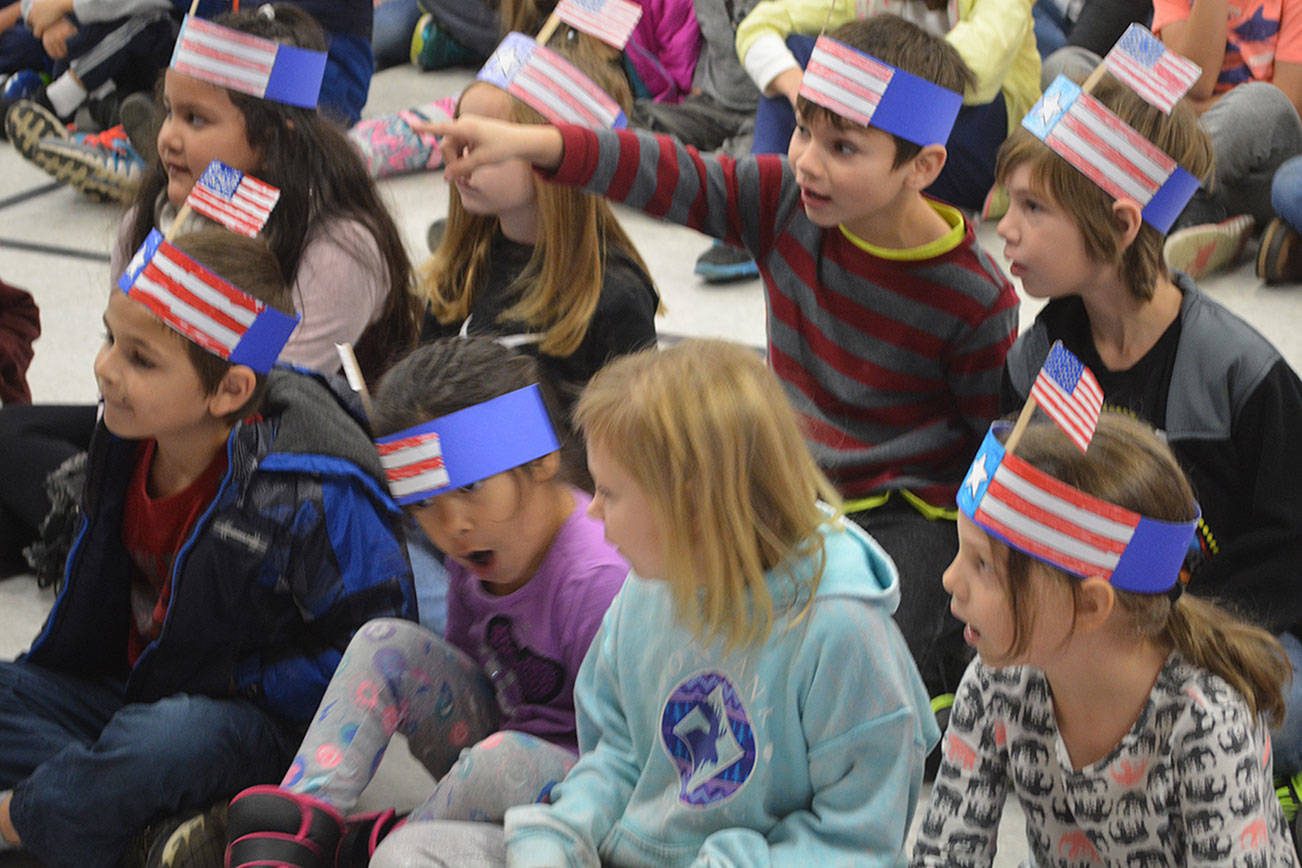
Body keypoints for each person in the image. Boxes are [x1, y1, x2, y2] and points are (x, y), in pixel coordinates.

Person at [425, 13, 1020, 703]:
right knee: (703, 618)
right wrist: (535, 141)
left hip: (910, 507)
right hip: (787, 480)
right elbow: (663, 170)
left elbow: (992, 444)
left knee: (872, 663)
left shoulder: (975, 295)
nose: (808, 161)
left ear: (923, 167)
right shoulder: (783, 202)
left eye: (843, 147)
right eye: (802, 129)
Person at [0, 227, 416, 868]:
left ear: (230, 391)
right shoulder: (127, 433)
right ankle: (156, 822)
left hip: (247, 719)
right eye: (111, 338)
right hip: (136, 686)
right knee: (101, 733)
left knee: (165, 743)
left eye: (140, 359)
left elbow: (379, 652)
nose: (104, 368)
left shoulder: (311, 488)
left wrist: (236, 680)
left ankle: (37, 818)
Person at [0, 2, 420, 583]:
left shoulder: (337, 243)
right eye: (170, 111)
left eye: (196, 120)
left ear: (273, 136)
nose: (167, 137)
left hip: (282, 454)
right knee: (13, 437)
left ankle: (111, 545)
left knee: (73, 492)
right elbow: (129, 345)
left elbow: (272, 400)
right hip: (173, 421)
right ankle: (109, 542)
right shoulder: (157, 215)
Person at [475, 338, 936, 864]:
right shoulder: (647, 586)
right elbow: (619, 755)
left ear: (690, 502)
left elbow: (859, 839)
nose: (593, 511)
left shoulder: (843, 630)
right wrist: (560, 834)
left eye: (610, 492)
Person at [218, 336, 628, 868]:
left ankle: (366, 849)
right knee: (384, 642)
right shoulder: (474, 552)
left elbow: (630, 756)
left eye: (473, 487)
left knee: (496, 762)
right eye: (426, 504)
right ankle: (302, 825)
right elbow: (467, 674)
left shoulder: (597, 578)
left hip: (592, 786)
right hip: (493, 754)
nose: (453, 525)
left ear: (543, 459)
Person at [997, 71, 1302, 775]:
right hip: (1103, 624)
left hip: (1238, 621)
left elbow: (1289, 548)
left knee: (1251, 730)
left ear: (1122, 222)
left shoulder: (1240, 373)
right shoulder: (1043, 361)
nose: (1005, 228)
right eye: (1008, 202)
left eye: (1032, 206)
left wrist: (1179, 637)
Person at [911, 410, 1297, 865]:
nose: (950, 578)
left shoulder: (1207, 722)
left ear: (1091, 605)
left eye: (984, 566)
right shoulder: (996, 682)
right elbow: (944, 854)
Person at [694, 0, 1042, 281]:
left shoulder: (980, 298)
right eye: (804, 130)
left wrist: (850, 88)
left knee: (948, 93)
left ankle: (806, 185)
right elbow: (760, 24)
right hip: (880, 137)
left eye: (1040, 210)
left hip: (971, 144)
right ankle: (764, 200)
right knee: (796, 53)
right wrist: (804, 91)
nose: (1013, 234)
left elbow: (970, 72)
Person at [420, 67, 659, 426]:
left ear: (552, 155)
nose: (462, 158)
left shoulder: (614, 296)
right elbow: (423, 404)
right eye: (459, 136)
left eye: (485, 141)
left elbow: (636, 446)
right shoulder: (461, 273)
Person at [1151, 0, 1302, 278]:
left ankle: (1154, 216)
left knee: (1259, 104)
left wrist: (1194, 106)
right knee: (1069, 65)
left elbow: (1287, 102)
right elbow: (1189, 85)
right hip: (1188, 143)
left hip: (1266, 161)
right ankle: (1204, 212)